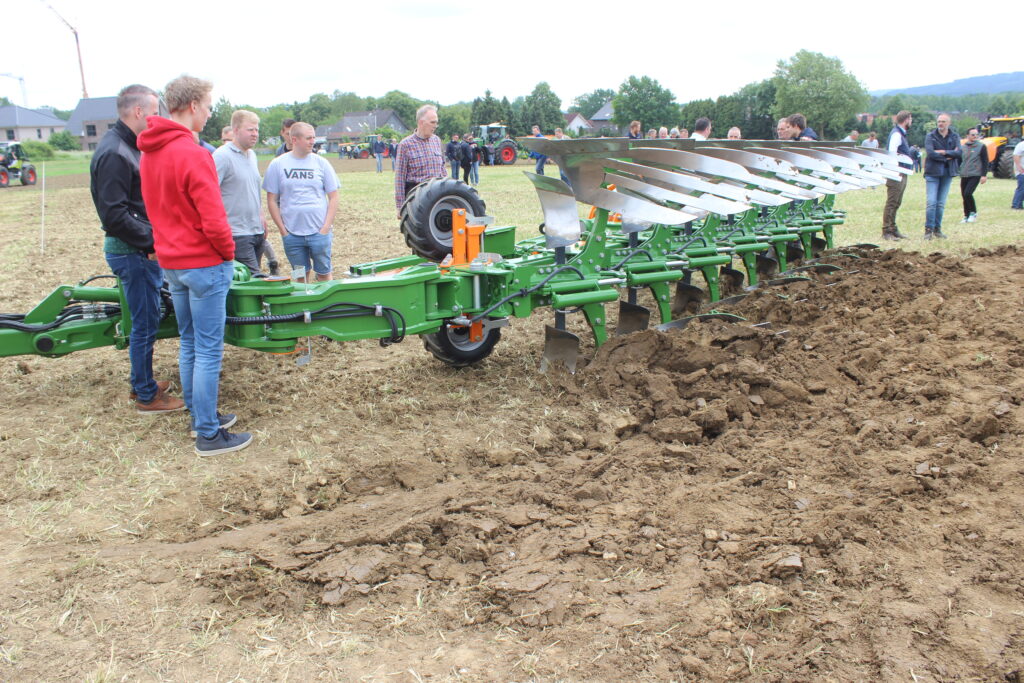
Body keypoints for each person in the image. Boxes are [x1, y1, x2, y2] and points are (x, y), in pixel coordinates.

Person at [137, 75, 251, 456]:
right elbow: (214, 218)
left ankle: (201, 415)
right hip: (204, 263)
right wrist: (227, 253)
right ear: (191, 106)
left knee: (189, 342)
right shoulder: (193, 152)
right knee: (207, 349)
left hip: (172, 262)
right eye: (207, 105)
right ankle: (208, 433)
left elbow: (155, 209)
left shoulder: (150, 152)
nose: (209, 112)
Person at [90, 84, 183, 415]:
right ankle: (146, 395)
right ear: (139, 112)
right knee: (145, 323)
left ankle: (141, 381)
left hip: (138, 249)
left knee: (148, 318)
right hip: (132, 252)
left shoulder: (128, 148)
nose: (157, 118)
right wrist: (153, 243)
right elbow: (114, 215)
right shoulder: (115, 153)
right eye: (155, 112)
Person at [264, 122, 340, 282]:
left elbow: (333, 196)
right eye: (308, 138)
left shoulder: (321, 163)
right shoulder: (278, 164)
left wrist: (325, 228)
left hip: (319, 233)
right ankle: (302, 302)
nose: (313, 141)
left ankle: (327, 305)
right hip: (292, 235)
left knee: (324, 272)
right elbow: (271, 200)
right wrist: (283, 231)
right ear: (294, 140)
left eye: (313, 137)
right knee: (299, 275)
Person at [214, 110, 267, 275]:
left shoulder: (251, 155)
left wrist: (261, 216)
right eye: (250, 130)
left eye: (257, 130)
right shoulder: (222, 156)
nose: (255, 134)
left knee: (256, 278)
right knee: (252, 281)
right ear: (235, 130)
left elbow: (252, 190)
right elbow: (210, 192)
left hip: (256, 230)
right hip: (237, 233)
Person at [394, 105, 447, 216]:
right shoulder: (405, 145)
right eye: (432, 122)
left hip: (437, 196)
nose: (435, 126)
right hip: (416, 198)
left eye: (436, 122)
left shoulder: (436, 141)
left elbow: (443, 170)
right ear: (421, 122)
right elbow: (400, 177)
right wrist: (400, 206)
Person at [923, 113, 961, 240]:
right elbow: (930, 153)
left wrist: (943, 152)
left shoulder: (954, 136)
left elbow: (959, 153)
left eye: (943, 121)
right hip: (932, 172)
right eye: (939, 121)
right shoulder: (930, 136)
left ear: (949, 123)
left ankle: (937, 229)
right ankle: (928, 230)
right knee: (931, 202)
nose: (940, 123)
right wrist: (948, 156)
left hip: (947, 173)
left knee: (940, 204)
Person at [881, 110, 913, 241]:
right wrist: (896, 171)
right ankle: (886, 230)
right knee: (892, 202)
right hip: (896, 172)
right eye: (910, 119)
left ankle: (893, 228)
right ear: (906, 120)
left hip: (900, 172)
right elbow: (892, 153)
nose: (911, 122)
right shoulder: (897, 135)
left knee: (897, 202)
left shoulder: (900, 134)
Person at [958, 128, 989, 223]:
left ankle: (973, 212)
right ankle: (966, 215)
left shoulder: (981, 147)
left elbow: (985, 161)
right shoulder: (963, 147)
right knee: (964, 195)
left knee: (968, 193)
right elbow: (960, 160)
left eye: (976, 134)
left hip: (975, 174)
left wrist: (984, 175)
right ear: (967, 136)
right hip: (964, 174)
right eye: (972, 134)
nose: (975, 136)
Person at [1013, 138, 1024, 210]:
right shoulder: (1021, 145)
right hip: (1022, 171)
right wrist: (1019, 168)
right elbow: (1016, 156)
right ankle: (1016, 205)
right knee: (1022, 188)